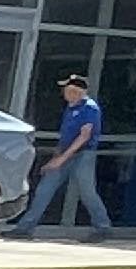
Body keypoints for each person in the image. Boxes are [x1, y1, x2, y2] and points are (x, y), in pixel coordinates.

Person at [11, 72, 110, 237]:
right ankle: (24, 229)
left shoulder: (89, 108)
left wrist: (60, 160)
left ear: (79, 91)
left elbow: (84, 136)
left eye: (68, 89)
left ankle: (103, 228)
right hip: (65, 153)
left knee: (87, 192)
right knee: (44, 189)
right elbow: (65, 136)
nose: (65, 92)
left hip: (82, 155)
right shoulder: (70, 109)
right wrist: (55, 159)